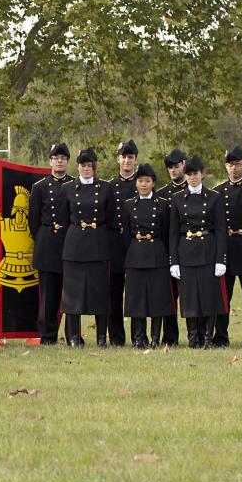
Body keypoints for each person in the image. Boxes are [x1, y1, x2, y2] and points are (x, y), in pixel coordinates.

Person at [168, 156, 227, 348]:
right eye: (190, 174)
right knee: (190, 297)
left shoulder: (214, 198)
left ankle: (207, 337)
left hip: (208, 251)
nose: (193, 178)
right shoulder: (177, 199)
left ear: (203, 174)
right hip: (186, 252)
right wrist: (173, 261)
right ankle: (193, 337)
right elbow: (173, 232)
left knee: (208, 296)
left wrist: (221, 259)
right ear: (185, 176)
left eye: (196, 174)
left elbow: (220, 230)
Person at [57, 148, 113, 347]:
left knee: (100, 294)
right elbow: (63, 219)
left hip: (97, 244)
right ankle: (73, 337)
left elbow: (111, 219)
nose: (86, 169)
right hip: (75, 245)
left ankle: (101, 337)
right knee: (73, 294)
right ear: (78, 166)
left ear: (94, 167)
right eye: (83, 165)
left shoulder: (106, 188)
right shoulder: (68, 189)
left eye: (90, 166)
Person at [121, 164, 174, 349]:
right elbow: (126, 236)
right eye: (140, 181)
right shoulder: (128, 205)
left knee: (157, 299)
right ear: (136, 183)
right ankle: (138, 338)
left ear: (153, 183)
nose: (143, 184)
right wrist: (128, 257)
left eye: (147, 181)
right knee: (136, 299)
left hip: (156, 254)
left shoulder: (163, 204)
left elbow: (167, 234)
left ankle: (155, 338)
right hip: (135, 254)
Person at [28, 143, 72, 345]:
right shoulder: (39, 187)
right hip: (47, 244)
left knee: (71, 293)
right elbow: (33, 221)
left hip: (70, 244)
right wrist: (44, 238)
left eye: (63, 158)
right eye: (56, 158)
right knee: (48, 296)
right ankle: (47, 336)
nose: (59, 161)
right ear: (50, 161)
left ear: (68, 162)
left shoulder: (74, 185)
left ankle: (72, 335)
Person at [214, 146, 242, 346]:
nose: (234, 169)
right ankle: (221, 336)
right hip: (226, 251)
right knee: (223, 298)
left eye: (238, 164)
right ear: (226, 167)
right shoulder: (217, 193)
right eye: (230, 165)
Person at [106, 139, 139, 347]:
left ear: (135, 159)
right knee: (114, 294)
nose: (127, 161)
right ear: (118, 159)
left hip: (136, 244)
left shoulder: (143, 183)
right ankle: (116, 337)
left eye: (130, 157)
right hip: (115, 244)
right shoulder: (109, 186)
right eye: (123, 157)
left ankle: (138, 336)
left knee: (136, 294)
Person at [153, 148, 187, 346]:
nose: (173, 171)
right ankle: (170, 337)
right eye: (170, 168)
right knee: (169, 299)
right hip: (167, 253)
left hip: (190, 252)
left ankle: (196, 335)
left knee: (191, 298)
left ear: (184, 164)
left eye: (176, 166)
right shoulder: (162, 194)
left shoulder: (192, 190)